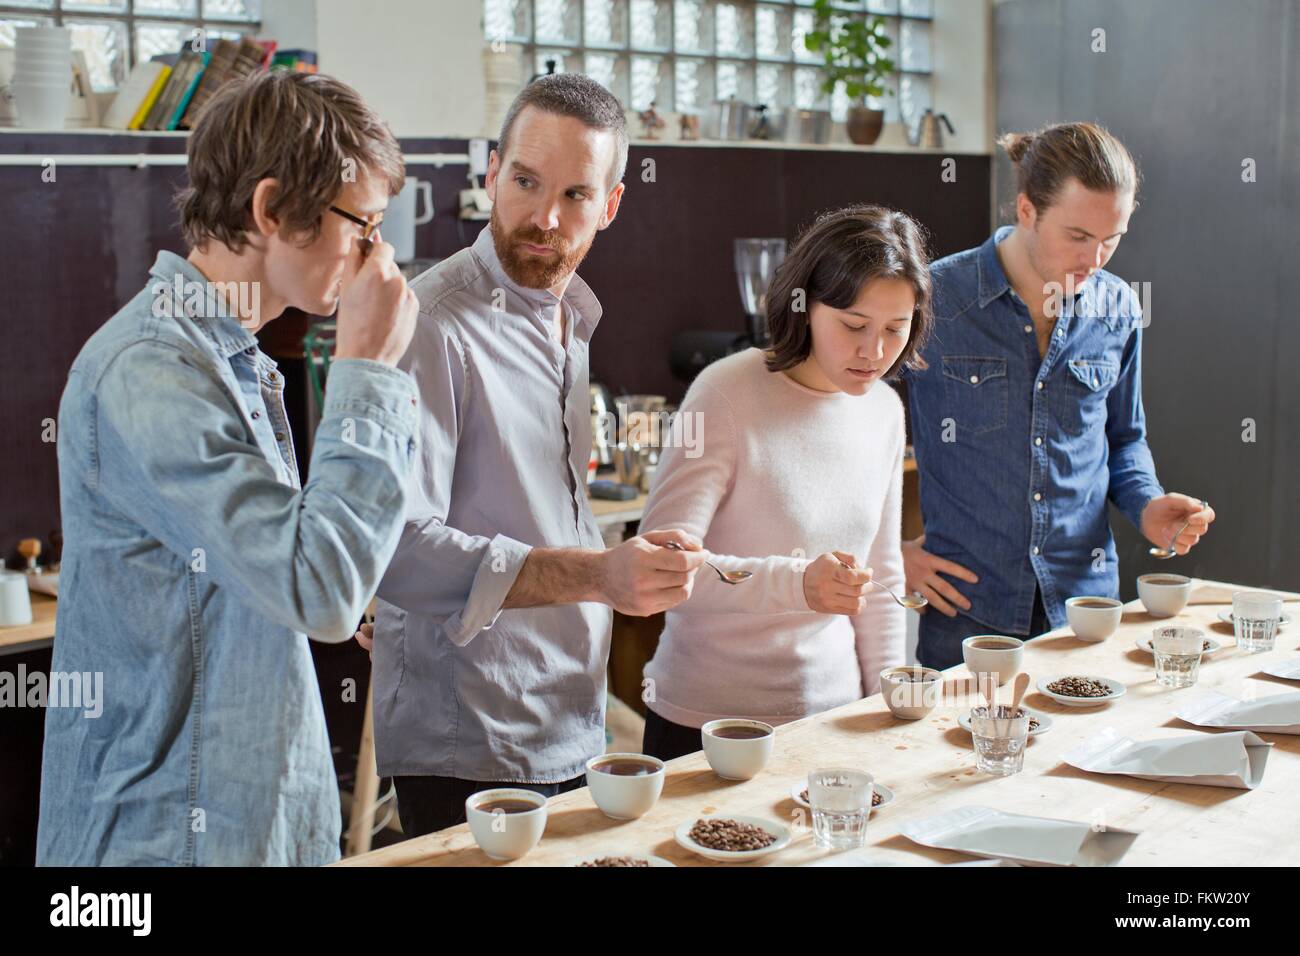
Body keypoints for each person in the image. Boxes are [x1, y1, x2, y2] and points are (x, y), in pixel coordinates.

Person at [38, 70, 420, 865]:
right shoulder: (151, 372)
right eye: (365, 224)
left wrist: (348, 589)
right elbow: (316, 589)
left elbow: (279, 579)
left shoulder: (230, 361)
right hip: (165, 843)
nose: (377, 254)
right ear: (272, 210)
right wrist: (369, 372)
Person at [355, 73, 706, 836]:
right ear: (490, 173)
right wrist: (600, 573)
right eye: (524, 180)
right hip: (469, 740)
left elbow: (533, 509)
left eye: (576, 194)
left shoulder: (569, 316)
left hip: (567, 716)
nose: (543, 217)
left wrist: (621, 559)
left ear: (611, 205)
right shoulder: (433, 325)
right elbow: (397, 549)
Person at [901, 122, 1215, 670]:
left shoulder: (1117, 307)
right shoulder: (935, 300)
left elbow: (1124, 440)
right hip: (969, 614)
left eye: (1112, 239)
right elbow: (858, 433)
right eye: (1077, 236)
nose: (1095, 259)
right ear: (1027, 210)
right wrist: (890, 554)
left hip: (1087, 610)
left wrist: (1148, 506)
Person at [636, 205, 931, 760]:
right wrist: (797, 584)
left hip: (831, 721)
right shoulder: (725, 392)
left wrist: (887, 703)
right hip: (705, 726)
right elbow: (658, 570)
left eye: (896, 328)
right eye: (853, 326)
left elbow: (883, 571)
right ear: (805, 306)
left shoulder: (884, 410)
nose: (875, 352)